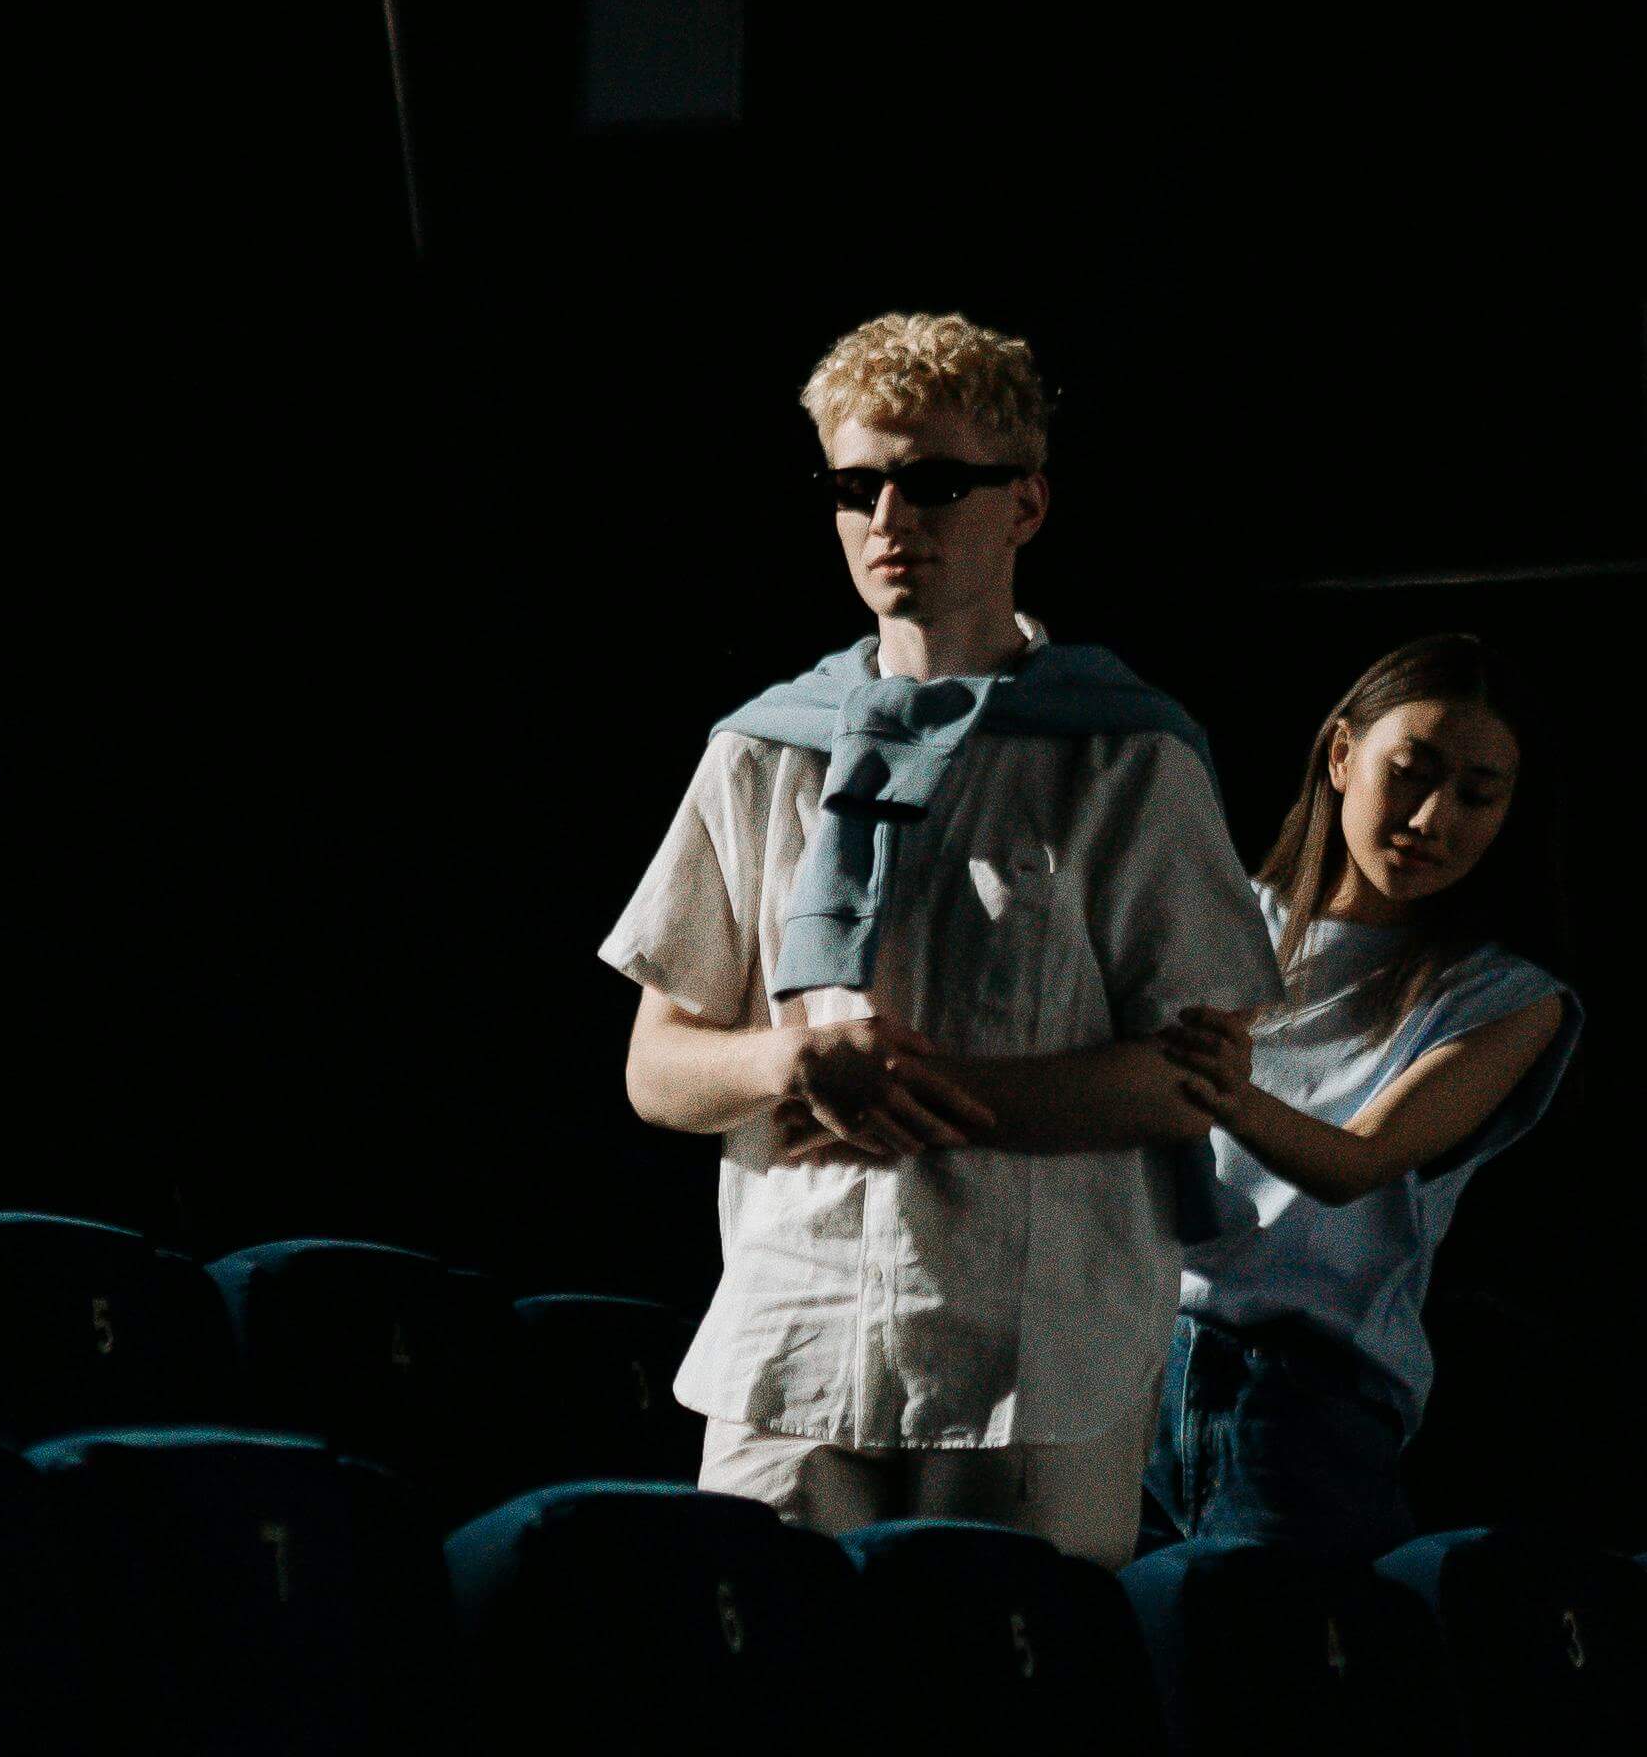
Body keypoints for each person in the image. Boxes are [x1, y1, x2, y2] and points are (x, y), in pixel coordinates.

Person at [600, 311, 1276, 1567]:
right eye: (856, 486)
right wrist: (792, 1068)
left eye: (933, 483)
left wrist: (911, 1090)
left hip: (1034, 1352)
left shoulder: (1123, 753)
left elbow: (1192, 1077)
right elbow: (657, 1062)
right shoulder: (763, 747)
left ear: (1025, 505)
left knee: (998, 1731)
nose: (889, 518)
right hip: (794, 1336)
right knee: (768, 1706)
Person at [1145, 633, 1582, 1562]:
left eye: (1477, 795)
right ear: (1342, 755)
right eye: (1411, 772)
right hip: (1122, 1369)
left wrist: (1226, 1089)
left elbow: (1356, 1162)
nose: (1432, 818)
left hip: (1304, 1405)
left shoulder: (1506, 999)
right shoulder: (1219, 924)